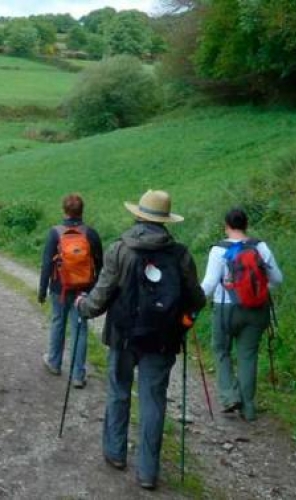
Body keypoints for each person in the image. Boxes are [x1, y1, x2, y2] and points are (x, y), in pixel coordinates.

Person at [75, 189, 205, 490]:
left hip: (123, 337)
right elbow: (196, 301)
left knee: (119, 390)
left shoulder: (120, 249)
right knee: (154, 401)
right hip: (162, 341)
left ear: (138, 215)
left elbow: (100, 297)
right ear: (166, 221)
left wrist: (83, 306)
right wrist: (182, 325)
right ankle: (148, 472)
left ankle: (115, 452)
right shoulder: (181, 255)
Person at [200, 207, 283, 422]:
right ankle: (248, 408)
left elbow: (209, 284)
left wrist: (191, 302)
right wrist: (257, 292)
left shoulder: (219, 250)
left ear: (226, 226)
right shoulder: (260, 247)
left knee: (221, 350)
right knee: (248, 355)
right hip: (257, 309)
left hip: (226, 309)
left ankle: (230, 396)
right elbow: (278, 279)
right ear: (246, 225)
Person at [38, 193, 103, 387]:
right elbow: (100, 264)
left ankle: (54, 363)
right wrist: (93, 288)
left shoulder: (55, 233)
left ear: (64, 211)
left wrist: (42, 290)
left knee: (58, 322)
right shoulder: (90, 234)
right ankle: (77, 375)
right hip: (83, 290)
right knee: (80, 329)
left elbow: (46, 265)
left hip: (60, 288)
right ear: (82, 211)